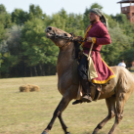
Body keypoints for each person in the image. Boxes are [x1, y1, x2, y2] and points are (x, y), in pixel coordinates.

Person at [73, 8, 115, 105]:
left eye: (91, 14)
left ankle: (87, 94)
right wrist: (81, 40)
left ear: (97, 15)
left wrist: (94, 40)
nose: (89, 16)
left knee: (81, 70)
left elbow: (108, 40)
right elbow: (88, 40)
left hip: (92, 54)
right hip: (85, 51)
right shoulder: (90, 26)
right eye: (89, 14)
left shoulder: (100, 26)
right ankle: (80, 93)